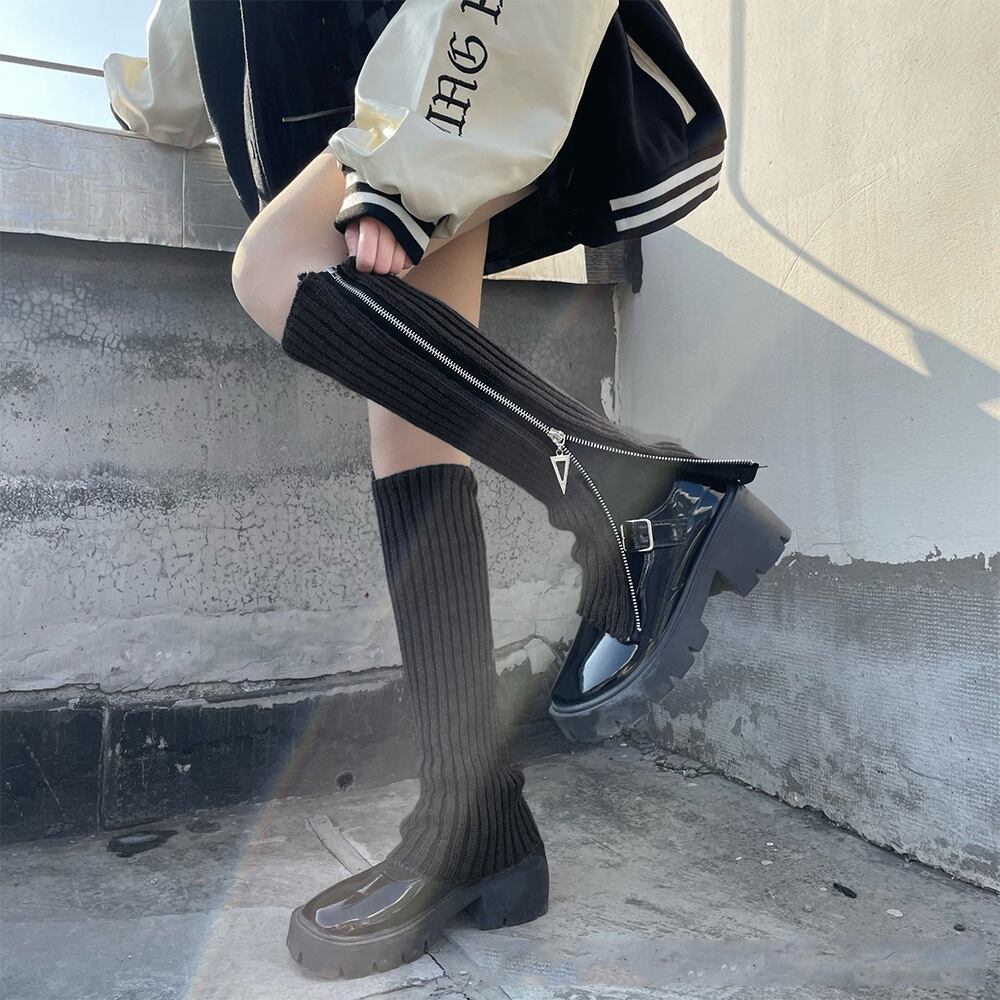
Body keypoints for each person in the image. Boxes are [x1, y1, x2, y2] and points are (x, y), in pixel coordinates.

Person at [105, 0, 789, 980]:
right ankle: (477, 824)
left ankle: (636, 494)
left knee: (274, 266)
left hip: (446, 73)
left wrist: (403, 174)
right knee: (412, 427)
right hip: (394, 110)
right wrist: (147, 98)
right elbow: (197, 28)